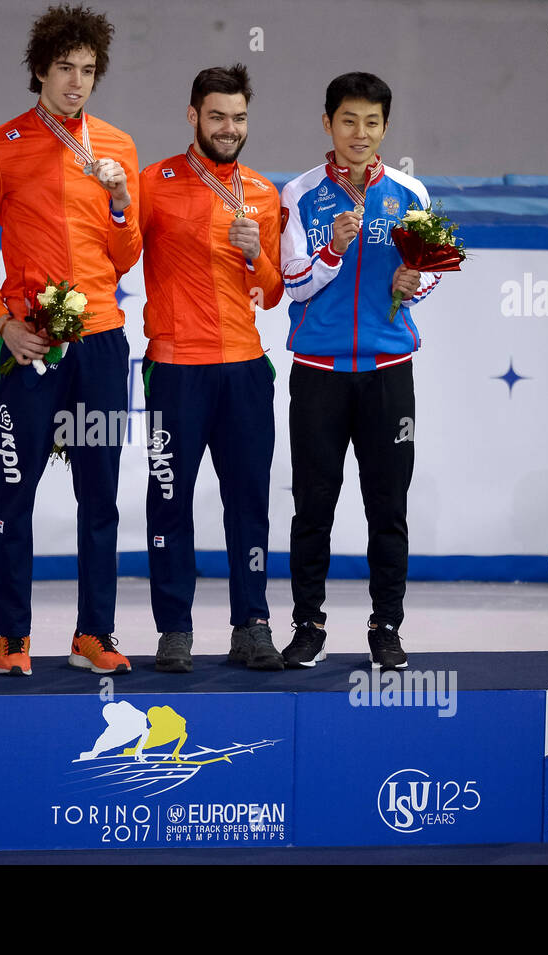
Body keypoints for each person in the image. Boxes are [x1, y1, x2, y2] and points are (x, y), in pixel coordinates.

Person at [0, 4, 141, 677]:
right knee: (15, 489)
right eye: (65, 68)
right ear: (40, 69)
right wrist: (5, 324)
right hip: (29, 347)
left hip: (100, 346)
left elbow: (126, 257)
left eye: (88, 71)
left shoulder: (118, 148)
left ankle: (94, 632)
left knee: (100, 496)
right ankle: (12, 635)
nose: (76, 82)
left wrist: (121, 203)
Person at [278, 72, 441, 671]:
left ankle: (387, 627)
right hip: (317, 371)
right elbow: (290, 284)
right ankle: (308, 626)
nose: (360, 133)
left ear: (385, 128)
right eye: (348, 120)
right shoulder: (297, 194)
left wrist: (414, 283)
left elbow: (431, 272)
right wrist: (330, 251)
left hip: (388, 370)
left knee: (387, 505)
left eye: (372, 123)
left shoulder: (410, 194)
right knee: (312, 504)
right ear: (328, 123)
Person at [138, 65, 284, 673]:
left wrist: (257, 258)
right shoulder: (154, 183)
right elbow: (120, 254)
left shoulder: (262, 192)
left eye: (240, 117)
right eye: (218, 116)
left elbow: (274, 291)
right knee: (169, 500)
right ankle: (174, 630)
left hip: (245, 370)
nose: (230, 128)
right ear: (193, 116)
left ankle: (251, 625)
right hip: (176, 370)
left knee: (248, 502)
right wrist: (120, 206)